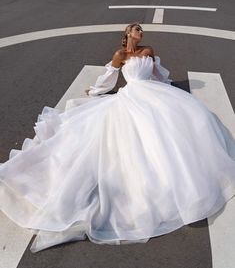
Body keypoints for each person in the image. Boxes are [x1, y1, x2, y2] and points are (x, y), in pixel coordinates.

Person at [0, 23, 235, 253]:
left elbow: (157, 74)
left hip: (152, 93)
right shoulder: (120, 54)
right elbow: (108, 78)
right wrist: (94, 91)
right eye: (137, 29)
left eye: (142, 30)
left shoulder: (148, 51)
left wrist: (168, 88)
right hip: (131, 95)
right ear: (128, 34)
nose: (141, 33)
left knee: (187, 122)